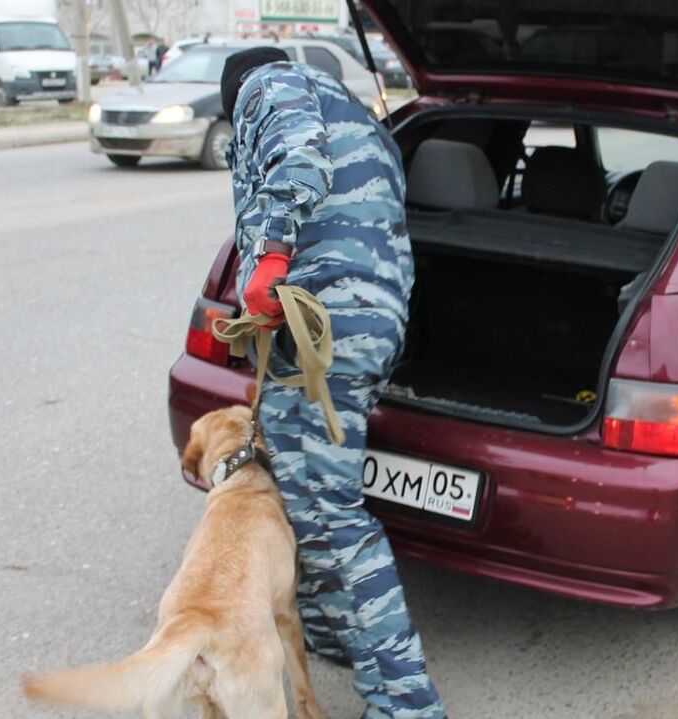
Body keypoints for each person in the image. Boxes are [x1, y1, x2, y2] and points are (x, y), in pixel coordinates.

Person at [218, 47, 447, 719]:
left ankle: (407, 703)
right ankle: (334, 636)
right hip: (362, 322)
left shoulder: (269, 86)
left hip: (326, 323)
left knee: (334, 513)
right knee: (303, 496)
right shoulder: (360, 114)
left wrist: (271, 257)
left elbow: (298, 158)